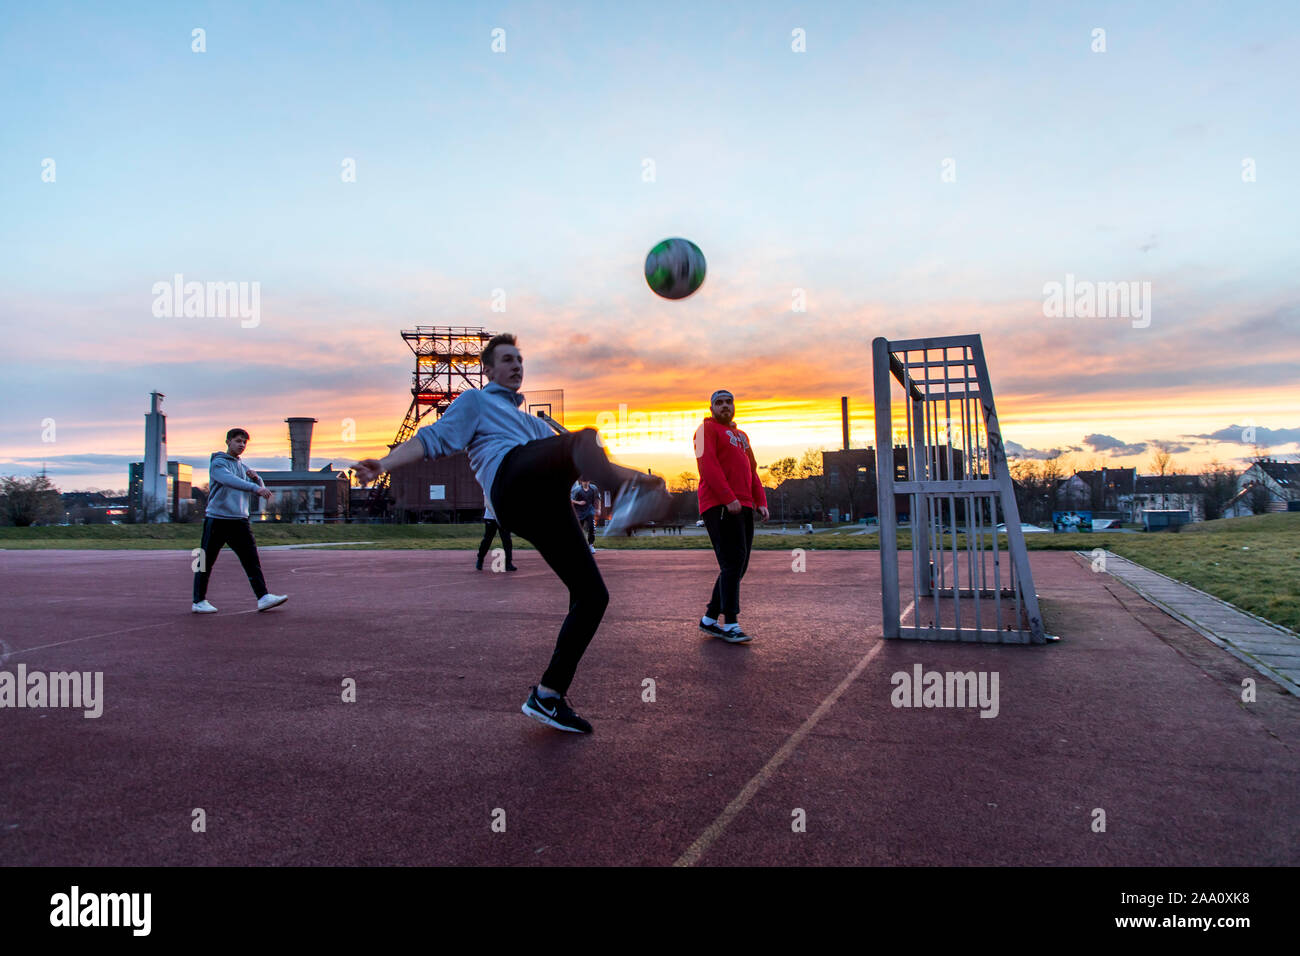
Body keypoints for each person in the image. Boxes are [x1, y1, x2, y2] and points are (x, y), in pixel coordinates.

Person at [353, 333, 668, 734]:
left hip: (545, 504)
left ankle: (548, 696)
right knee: (585, 438)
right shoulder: (476, 402)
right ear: (488, 369)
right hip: (510, 484)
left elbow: (577, 458)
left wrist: (643, 480)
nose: (516, 365)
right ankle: (628, 498)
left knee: (593, 597)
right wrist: (383, 463)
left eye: (520, 359)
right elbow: (432, 440)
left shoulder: (534, 424)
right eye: (507, 359)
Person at [694, 389, 768, 643]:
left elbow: (752, 470)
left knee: (739, 564)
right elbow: (708, 467)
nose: (725, 406)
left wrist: (761, 501)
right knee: (732, 562)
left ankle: (710, 619)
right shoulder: (705, 431)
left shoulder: (742, 436)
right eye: (719, 403)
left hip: (744, 505)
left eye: (729, 402)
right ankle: (731, 624)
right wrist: (728, 498)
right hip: (720, 505)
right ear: (712, 407)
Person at [192, 428, 289, 613]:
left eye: (244, 442)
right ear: (228, 442)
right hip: (217, 519)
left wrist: (257, 479)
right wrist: (254, 487)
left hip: (239, 521)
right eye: (238, 441)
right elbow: (230, 481)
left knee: (251, 560)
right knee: (205, 560)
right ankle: (198, 601)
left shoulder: (243, 467)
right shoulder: (219, 464)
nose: (242, 445)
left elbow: (260, 488)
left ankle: (263, 597)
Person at [476, 491, 517, 571]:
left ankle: (508, 564)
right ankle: (480, 559)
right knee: (487, 539)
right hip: (490, 517)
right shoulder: (488, 485)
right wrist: (495, 514)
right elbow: (486, 503)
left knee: (507, 540)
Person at [571, 478, 600, 553]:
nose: (585, 483)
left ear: (589, 481)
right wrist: (578, 502)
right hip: (579, 513)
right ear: (581, 482)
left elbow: (597, 498)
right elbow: (571, 500)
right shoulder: (577, 490)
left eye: (587, 481)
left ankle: (591, 545)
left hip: (590, 511)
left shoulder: (593, 488)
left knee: (592, 527)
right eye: (584, 481)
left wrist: (598, 509)